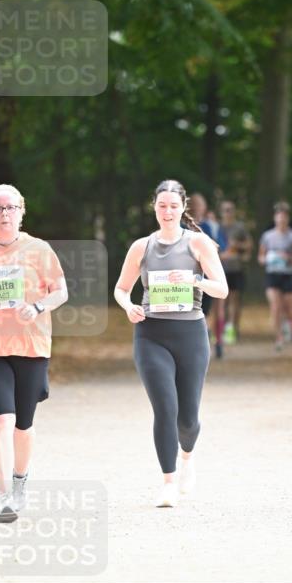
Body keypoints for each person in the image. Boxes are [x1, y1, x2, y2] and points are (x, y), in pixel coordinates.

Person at [0, 184, 68, 524]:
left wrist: (36, 307)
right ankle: (4, 496)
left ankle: (20, 481)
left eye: (10, 208)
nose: (4, 214)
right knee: (0, 420)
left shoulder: (40, 250)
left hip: (30, 346)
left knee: (23, 423)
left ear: (22, 211)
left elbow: (60, 291)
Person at [114, 180, 228, 507]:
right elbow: (121, 289)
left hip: (191, 335)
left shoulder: (199, 244)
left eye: (173, 206)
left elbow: (222, 289)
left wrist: (194, 279)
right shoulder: (141, 247)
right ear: (154, 207)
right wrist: (129, 306)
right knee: (165, 408)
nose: (167, 211)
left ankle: (187, 458)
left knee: (187, 419)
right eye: (162, 205)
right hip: (151, 335)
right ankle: (167, 481)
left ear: (183, 208)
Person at [258, 204, 292, 351]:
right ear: (275, 219)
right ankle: (278, 338)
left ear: (287, 219)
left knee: (289, 308)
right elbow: (260, 256)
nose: (281, 221)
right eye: (278, 218)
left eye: (284, 218)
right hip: (272, 274)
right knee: (275, 306)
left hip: (289, 275)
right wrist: (267, 259)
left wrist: (289, 258)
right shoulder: (267, 236)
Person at [188, 192, 228, 357]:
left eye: (200, 205)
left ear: (204, 208)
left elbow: (222, 249)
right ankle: (200, 342)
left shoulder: (210, 226)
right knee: (196, 311)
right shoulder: (181, 227)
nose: (197, 208)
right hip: (188, 276)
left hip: (209, 275)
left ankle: (218, 341)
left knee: (216, 309)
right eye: (194, 205)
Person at [219, 200, 252, 344]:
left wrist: (238, 246)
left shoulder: (240, 227)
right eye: (226, 210)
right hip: (219, 269)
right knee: (221, 302)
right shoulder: (217, 228)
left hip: (236, 268)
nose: (228, 212)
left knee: (235, 300)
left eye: (231, 209)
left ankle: (233, 328)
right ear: (221, 212)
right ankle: (222, 328)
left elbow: (249, 245)